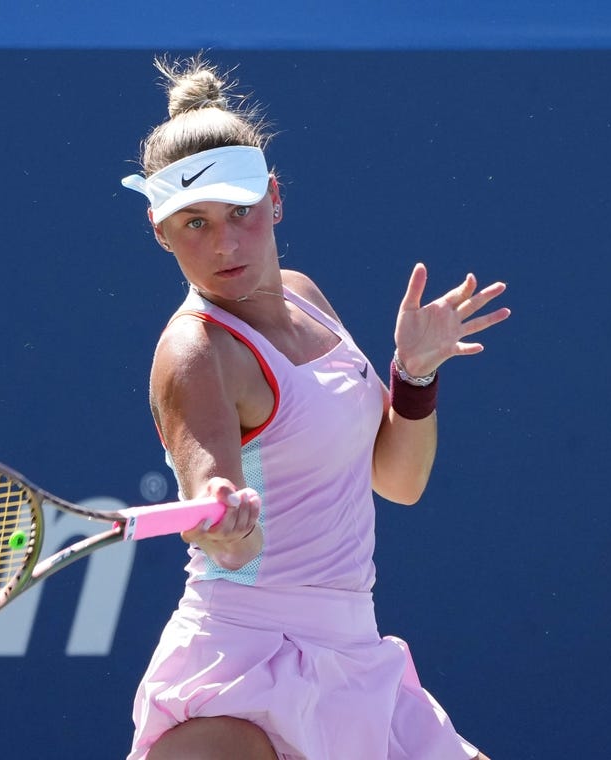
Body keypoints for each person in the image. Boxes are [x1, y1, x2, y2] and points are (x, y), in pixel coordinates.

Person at [120, 55, 509, 760]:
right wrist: (225, 521)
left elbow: (398, 481)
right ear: (159, 229)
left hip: (356, 659)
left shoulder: (304, 294)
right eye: (194, 224)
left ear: (274, 198)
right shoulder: (194, 352)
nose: (226, 244)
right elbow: (217, 509)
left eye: (240, 213)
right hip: (240, 672)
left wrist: (414, 375)